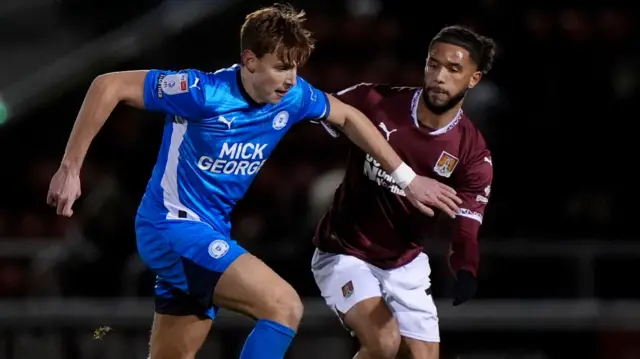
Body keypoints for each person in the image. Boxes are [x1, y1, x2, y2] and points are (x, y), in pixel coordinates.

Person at [46, 5, 463, 359]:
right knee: (283, 306)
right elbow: (109, 85)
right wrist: (70, 167)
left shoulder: (293, 96)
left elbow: (350, 117)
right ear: (249, 61)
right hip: (171, 227)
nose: (289, 79)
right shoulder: (202, 92)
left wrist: (407, 178)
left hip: (207, 232)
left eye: (295, 67)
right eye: (281, 67)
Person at [311, 25, 497, 359]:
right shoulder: (374, 103)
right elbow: (313, 107)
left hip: (404, 262)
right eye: (433, 64)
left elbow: (467, 228)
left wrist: (466, 268)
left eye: (453, 69)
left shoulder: (472, 153)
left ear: (474, 79)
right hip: (344, 251)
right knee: (383, 342)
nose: (439, 76)